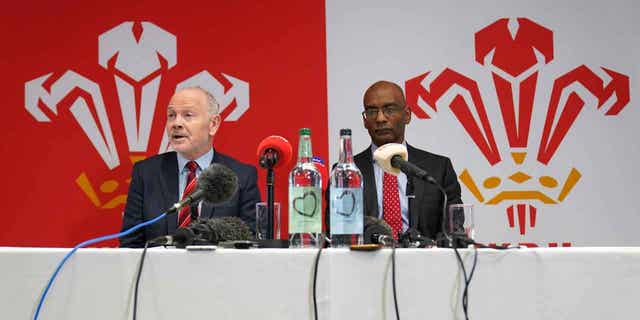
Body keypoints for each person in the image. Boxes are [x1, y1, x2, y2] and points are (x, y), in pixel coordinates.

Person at [119, 87, 261, 248]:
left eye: (188, 115)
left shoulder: (241, 176)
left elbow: (251, 243)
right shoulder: (146, 173)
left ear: (213, 124)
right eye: (171, 115)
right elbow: (130, 244)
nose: (176, 123)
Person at [355, 80, 462, 240]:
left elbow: (454, 229)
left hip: (426, 262)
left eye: (389, 110)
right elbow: (337, 227)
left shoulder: (438, 169)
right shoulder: (347, 172)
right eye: (371, 112)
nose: (380, 118)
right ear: (365, 120)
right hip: (366, 260)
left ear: (407, 115)